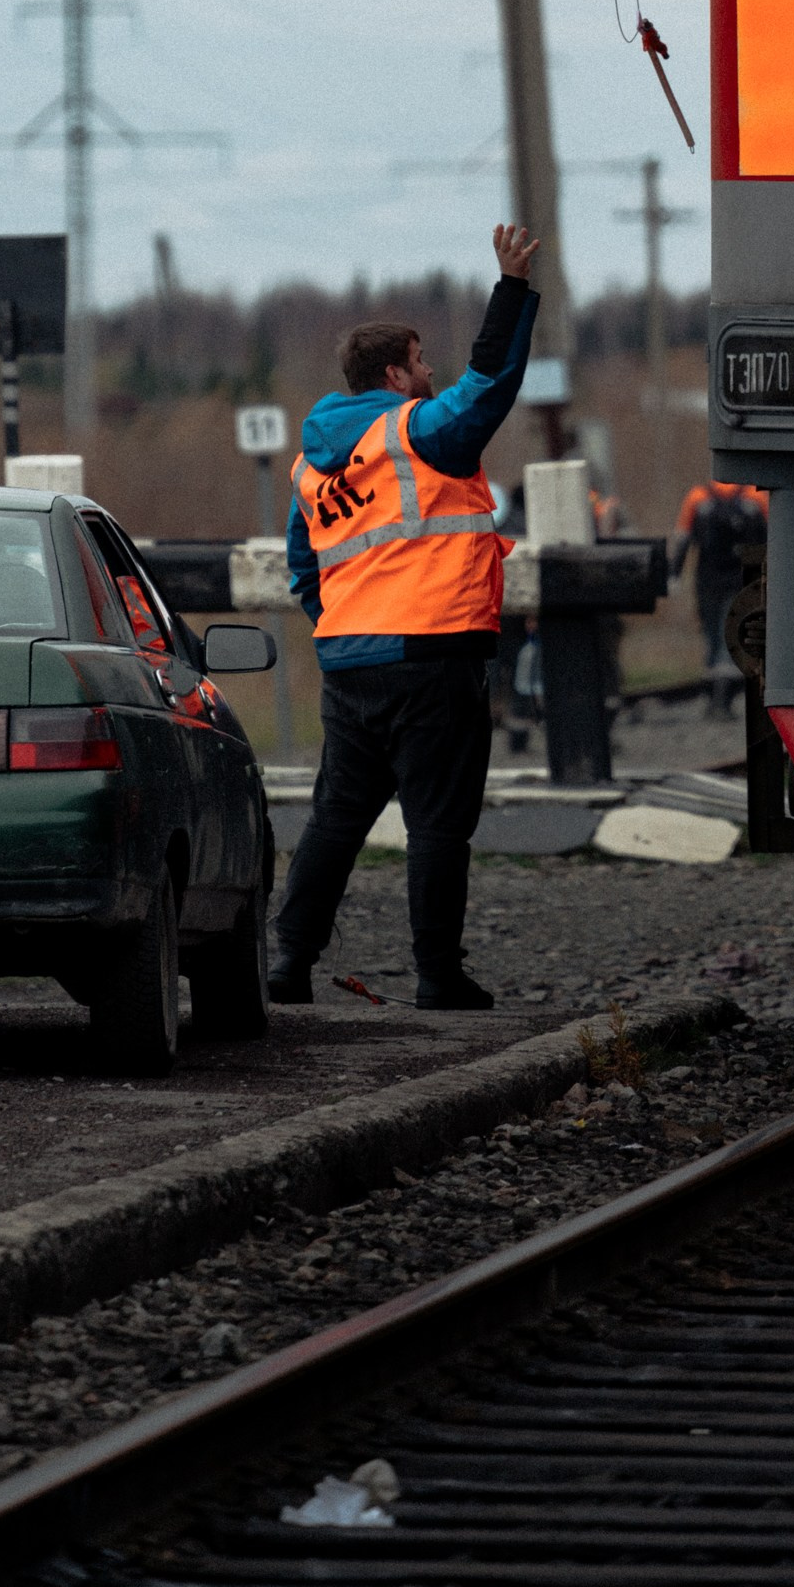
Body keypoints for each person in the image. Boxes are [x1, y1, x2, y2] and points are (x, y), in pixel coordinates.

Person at [269, 225, 539, 1011]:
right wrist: (512, 289)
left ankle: (288, 965)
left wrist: (348, 621)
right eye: (422, 362)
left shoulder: (308, 467)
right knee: (437, 825)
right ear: (395, 372)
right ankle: (437, 975)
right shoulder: (419, 432)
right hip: (434, 654)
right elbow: (489, 384)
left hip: (349, 663)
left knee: (337, 819)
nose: (430, 374)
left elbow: (302, 569)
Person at [677, 479, 769, 713]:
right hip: (741, 578)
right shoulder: (755, 496)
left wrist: (673, 574)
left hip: (707, 579)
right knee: (730, 634)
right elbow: (773, 537)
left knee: (711, 635)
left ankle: (713, 697)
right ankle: (725, 698)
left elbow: (683, 538)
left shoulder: (697, 497)